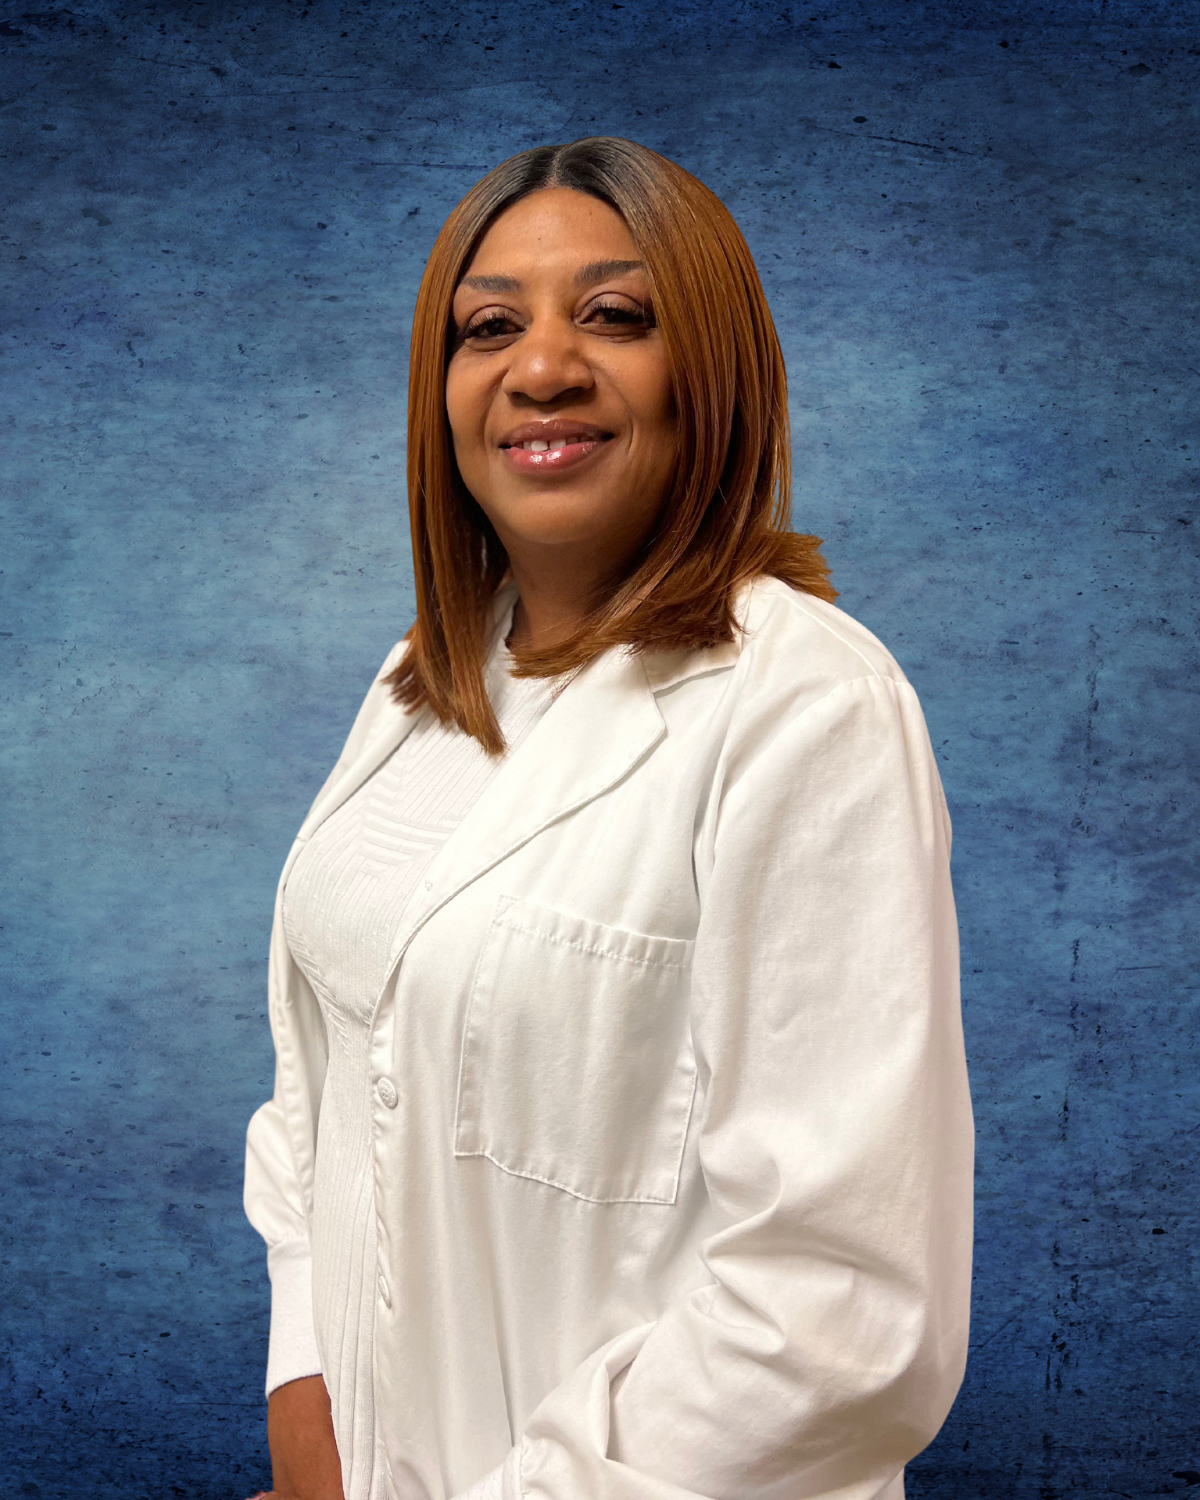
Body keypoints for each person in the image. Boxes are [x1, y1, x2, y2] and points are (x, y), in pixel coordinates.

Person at [243, 136, 973, 1500]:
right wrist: (312, 1432)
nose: (542, 367)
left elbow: (836, 1315)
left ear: (713, 373)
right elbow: (322, 1108)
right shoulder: (421, 684)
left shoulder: (804, 706)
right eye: (490, 326)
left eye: (617, 317)